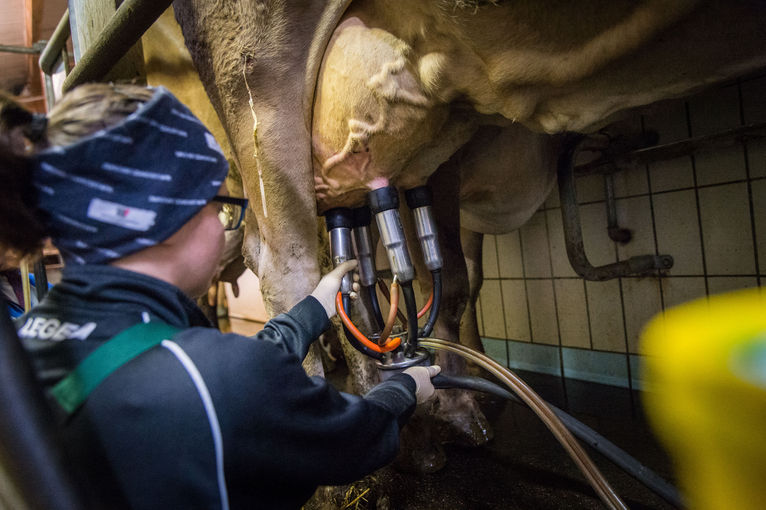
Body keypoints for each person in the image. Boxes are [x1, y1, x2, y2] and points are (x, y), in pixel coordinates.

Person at [0, 83, 440, 509]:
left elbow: (214, 374)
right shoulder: (218, 380)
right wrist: (405, 389)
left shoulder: (24, 343)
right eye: (217, 204)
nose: (223, 223)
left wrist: (315, 308)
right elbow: (351, 438)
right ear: (166, 220)